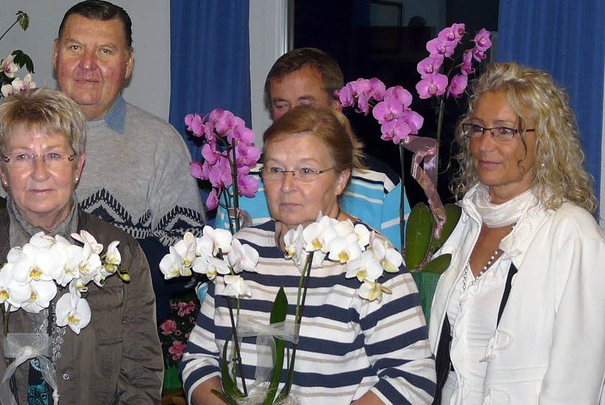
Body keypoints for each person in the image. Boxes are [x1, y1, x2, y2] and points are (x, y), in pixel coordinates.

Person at [0, 0, 205, 321]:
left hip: (118, 343)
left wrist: (81, 263)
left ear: (128, 62)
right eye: (75, 47)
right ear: (55, 54)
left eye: (105, 51)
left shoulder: (161, 145)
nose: (87, 64)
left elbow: (186, 264)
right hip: (6, 338)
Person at [183, 106, 435, 404]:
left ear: (341, 179)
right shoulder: (239, 252)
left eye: (306, 171)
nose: (287, 186)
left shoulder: (372, 261)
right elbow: (199, 358)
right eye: (275, 170)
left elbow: (412, 379)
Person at [0, 88, 163, 403]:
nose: (39, 172)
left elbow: (140, 379)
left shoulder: (121, 256)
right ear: (2, 170)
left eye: (54, 155)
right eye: (22, 156)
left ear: (78, 166)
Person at [429, 62, 605, 403]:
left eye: (505, 131)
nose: (484, 144)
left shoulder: (571, 233)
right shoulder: (460, 223)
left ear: (546, 141)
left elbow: (578, 379)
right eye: (477, 128)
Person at [214, 47, 409, 249]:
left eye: (305, 104)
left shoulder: (381, 185)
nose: (292, 115)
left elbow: (396, 268)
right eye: (281, 106)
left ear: (336, 105)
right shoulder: (242, 184)